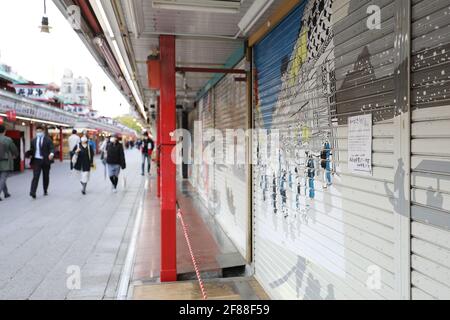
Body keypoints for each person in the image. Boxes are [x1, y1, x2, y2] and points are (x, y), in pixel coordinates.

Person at [29, 126, 55, 199]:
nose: (38, 133)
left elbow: (52, 148)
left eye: (40, 131)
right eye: (37, 131)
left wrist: (51, 154)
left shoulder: (48, 140)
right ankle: (33, 192)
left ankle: (45, 190)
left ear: (43, 132)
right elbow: (32, 149)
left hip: (46, 160)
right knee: (35, 176)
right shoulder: (33, 140)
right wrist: (30, 154)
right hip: (37, 160)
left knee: (46, 176)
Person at [0, 125, 19, 201]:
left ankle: (6, 193)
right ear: (4, 131)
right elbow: (14, 149)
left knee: (1, 178)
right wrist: (15, 155)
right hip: (5, 161)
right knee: (3, 178)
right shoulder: (8, 139)